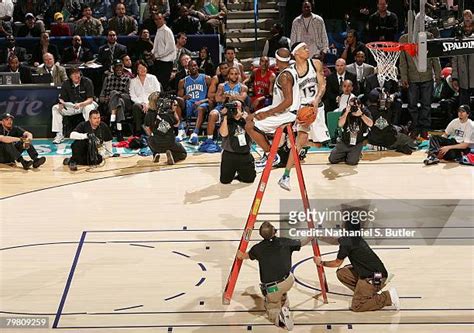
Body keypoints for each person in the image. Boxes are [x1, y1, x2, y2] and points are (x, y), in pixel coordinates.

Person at [237, 221, 314, 330]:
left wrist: (240, 250)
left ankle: (279, 318)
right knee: (282, 291)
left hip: (273, 288)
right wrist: (311, 236)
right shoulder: (284, 242)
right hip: (288, 281)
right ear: (275, 232)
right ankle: (285, 306)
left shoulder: (257, 249)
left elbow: (242, 256)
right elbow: (302, 242)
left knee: (271, 306)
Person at [314, 217, 400, 312]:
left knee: (357, 306)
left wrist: (321, 263)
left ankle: (388, 297)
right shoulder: (353, 238)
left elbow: (337, 263)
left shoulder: (348, 241)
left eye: (343, 225)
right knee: (342, 273)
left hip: (376, 277)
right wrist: (319, 236)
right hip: (374, 273)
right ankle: (365, 293)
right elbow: (335, 240)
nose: (342, 226)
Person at [279, 42, 328, 191]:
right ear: (296, 53)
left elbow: (322, 84)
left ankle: (290, 143)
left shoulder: (316, 64)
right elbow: (288, 97)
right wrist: (295, 114)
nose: (308, 50)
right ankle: (286, 176)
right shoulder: (290, 73)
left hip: (317, 108)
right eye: (304, 48)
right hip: (303, 111)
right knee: (300, 141)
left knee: (320, 144)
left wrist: (317, 99)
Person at [245, 48, 298, 169]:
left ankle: (272, 156)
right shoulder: (289, 71)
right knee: (249, 118)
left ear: (277, 60)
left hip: (287, 113)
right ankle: (268, 152)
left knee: (250, 126)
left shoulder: (284, 76)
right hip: (279, 109)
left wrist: (268, 113)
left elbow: (288, 101)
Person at [399, 32, 441, 140]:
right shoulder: (404, 39)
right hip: (412, 77)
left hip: (427, 76)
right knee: (412, 105)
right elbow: (402, 61)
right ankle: (415, 128)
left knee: (426, 104)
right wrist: (404, 77)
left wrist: (438, 74)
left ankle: (424, 129)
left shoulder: (429, 36)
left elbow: (435, 57)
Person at [203, 67, 247, 151]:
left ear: (239, 75)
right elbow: (217, 99)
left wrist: (230, 96)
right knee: (213, 114)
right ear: (228, 75)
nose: (234, 76)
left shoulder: (243, 87)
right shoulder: (222, 86)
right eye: (232, 74)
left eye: (236, 74)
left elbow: (242, 99)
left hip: (236, 109)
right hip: (222, 107)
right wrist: (225, 96)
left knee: (241, 109)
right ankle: (209, 140)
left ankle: (242, 140)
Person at [52, 68, 98, 144]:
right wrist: (61, 103)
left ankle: (90, 134)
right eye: (74, 74)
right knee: (55, 108)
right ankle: (59, 135)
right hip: (72, 106)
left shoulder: (87, 81)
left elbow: (90, 99)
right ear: (70, 76)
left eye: (78, 73)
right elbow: (62, 98)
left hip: (85, 104)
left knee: (88, 108)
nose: (76, 75)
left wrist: (81, 104)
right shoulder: (66, 83)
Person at [144, 93, 187, 164]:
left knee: (149, 138)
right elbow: (177, 124)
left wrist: (154, 134)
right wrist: (174, 111)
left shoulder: (149, 114)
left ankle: (155, 153)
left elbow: (148, 130)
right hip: (170, 142)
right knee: (183, 153)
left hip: (156, 142)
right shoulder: (169, 113)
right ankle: (173, 156)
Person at [328, 97, 373, 165]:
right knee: (332, 159)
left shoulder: (364, 111)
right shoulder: (346, 111)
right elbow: (340, 124)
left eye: (355, 106)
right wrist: (346, 113)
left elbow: (371, 124)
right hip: (344, 141)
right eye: (351, 106)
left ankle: (355, 154)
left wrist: (361, 115)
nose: (353, 108)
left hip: (357, 143)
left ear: (360, 105)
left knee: (352, 162)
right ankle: (349, 154)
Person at [219, 101, 255, 184]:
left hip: (244, 154)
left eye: (237, 106)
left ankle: (240, 173)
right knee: (225, 181)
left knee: (249, 180)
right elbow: (223, 134)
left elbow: (253, 132)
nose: (235, 109)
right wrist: (224, 117)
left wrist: (244, 118)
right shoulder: (227, 119)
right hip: (229, 155)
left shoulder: (247, 119)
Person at [176, 60, 211, 144]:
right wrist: (184, 97)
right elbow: (179, 97)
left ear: (198, 67)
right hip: (189, 104)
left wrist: (202, 101)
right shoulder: (183, 81)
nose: (194, 67)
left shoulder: (206, 78)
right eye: (191, 66)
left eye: (195, 65)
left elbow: (212, 97)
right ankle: (181, 130)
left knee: (200, 108)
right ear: (188, 68)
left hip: (202, 104)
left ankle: (195, 133)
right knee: (176, 103)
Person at [99, 59, 132, 142]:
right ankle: (119, 130)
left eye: (120, 67)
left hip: (125, 102)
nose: (119, 70)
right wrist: (106, 99)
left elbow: (129, 96)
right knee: (118, 103)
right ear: (113, 68)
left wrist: (117, 94)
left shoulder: (127, 79)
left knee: (117, 96)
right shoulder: (108, 79)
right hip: (109, 104)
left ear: (123, 68)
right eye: (117, 68)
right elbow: (101, 97)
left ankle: (112, 122)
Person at [130, 60, 162, 135]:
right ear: (137, 70)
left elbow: (157, 93)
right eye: (140, 68)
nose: (143, 69)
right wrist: (142, 103)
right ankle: (138, 131)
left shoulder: (153, 78)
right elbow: (132, 96)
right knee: (136, 106)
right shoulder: (133, 81)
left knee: (152, 108)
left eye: (144, 67)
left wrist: (148, 104)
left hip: (153, 102)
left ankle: (150, 130)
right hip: (140, 104)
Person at [451, 22, 474, 106]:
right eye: (466, 27)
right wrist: (454, 78)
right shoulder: (457, 41)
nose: (468, 29)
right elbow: (454, 61)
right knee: (463, 106)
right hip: (463, 80)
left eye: (470, 26)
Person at [151, 13, 176, 90]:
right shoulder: (158, 31)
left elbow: (170, 48)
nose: (158, 21)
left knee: (163, 84)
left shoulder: (167, 31)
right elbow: (157, 46)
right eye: (156, 19)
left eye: (160, 19)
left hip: (166, 63)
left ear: (163, 19)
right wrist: (152, 53)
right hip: (159, 62)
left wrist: (157, 55)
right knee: (158, 84)